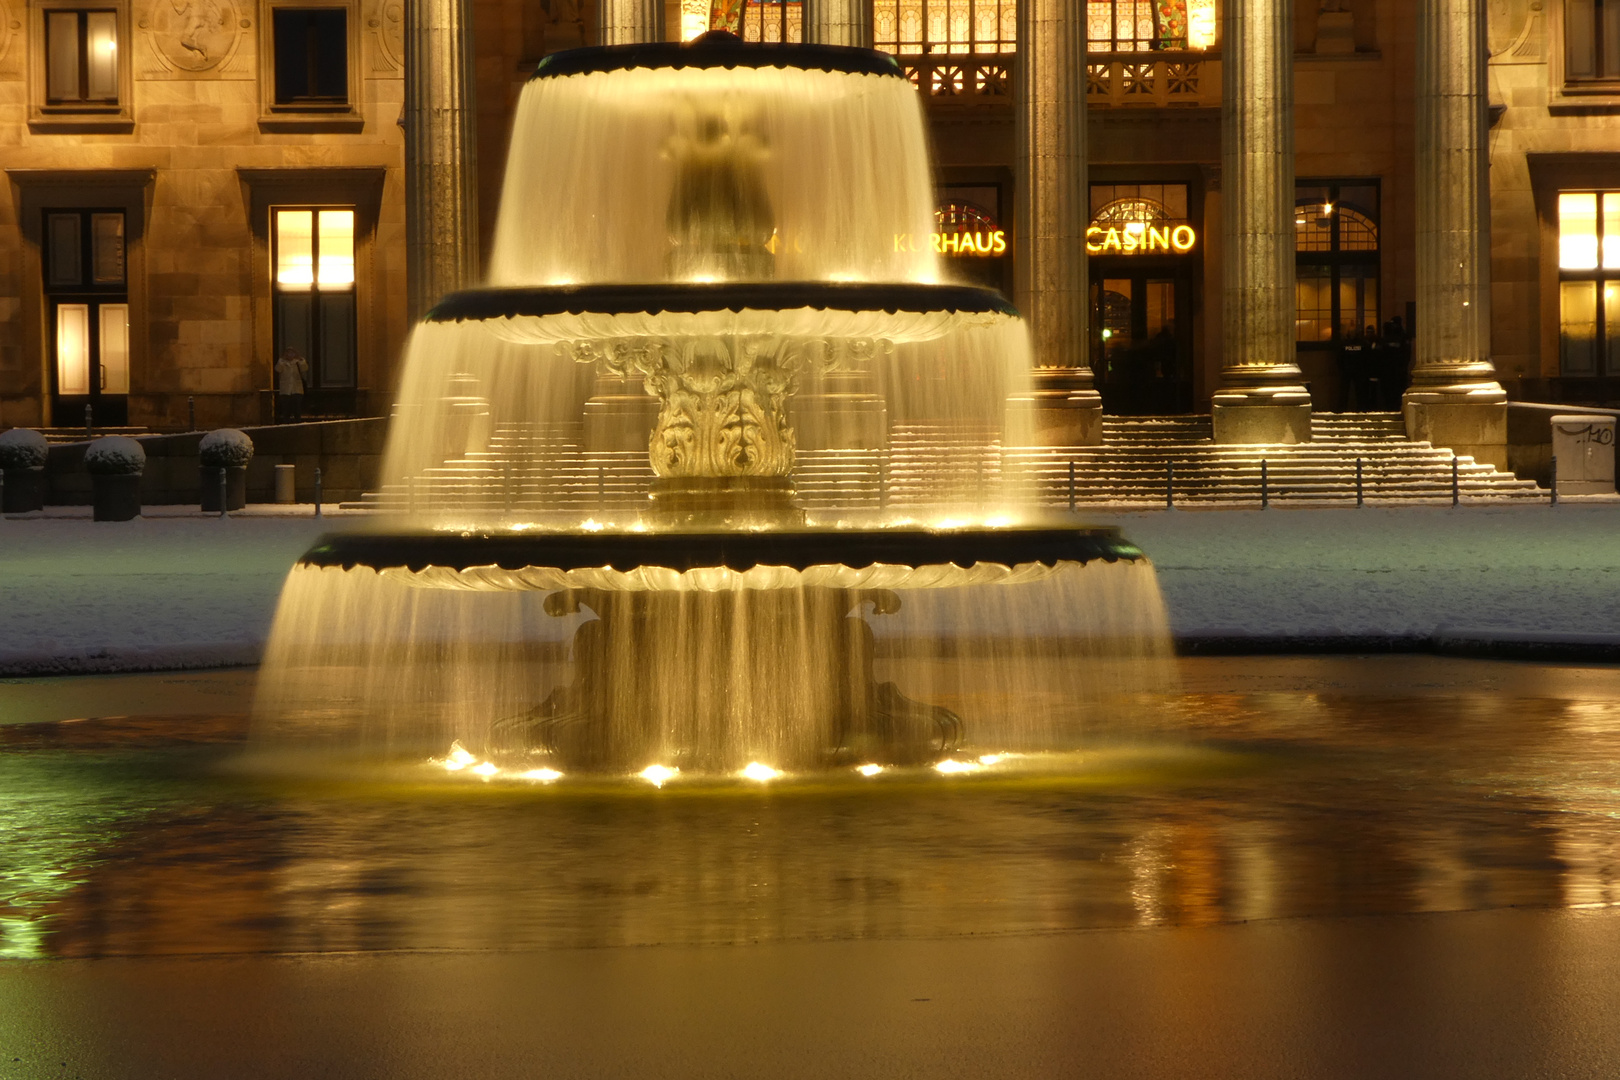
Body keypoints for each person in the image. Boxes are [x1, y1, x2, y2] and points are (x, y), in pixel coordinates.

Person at [275, 346, 309, 423]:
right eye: (288, 353)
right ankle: (286, 423)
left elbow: (305, 368)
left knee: (297, 410)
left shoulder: (298, 362)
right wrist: (281, 361)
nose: (290, 355)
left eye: (292, 353)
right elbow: (278, 369)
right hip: (285, 391)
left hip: (296, 390)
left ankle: (297, 423)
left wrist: (301, 360)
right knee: (286, 410)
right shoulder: (282, 363)